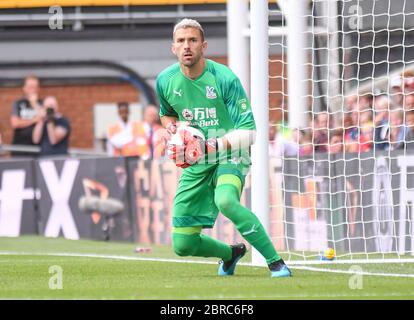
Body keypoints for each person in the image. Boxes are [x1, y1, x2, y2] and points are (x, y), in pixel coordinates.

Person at [156, 18, 291, 278]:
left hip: (230, 151)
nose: (187, 46)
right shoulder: (165, 80)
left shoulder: (224, 78)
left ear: (203, 45)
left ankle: (276, 262)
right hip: (197, 160)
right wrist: (172, 131)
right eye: (181, 41)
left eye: (193, 40)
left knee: (226, 200)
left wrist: (210, 145)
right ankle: (231, 254)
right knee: (183, 245)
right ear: (173, 48)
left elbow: (249, 132)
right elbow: (167, 114)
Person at [10, 75, 43, 157]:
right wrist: (34, 120)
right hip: (20, 147)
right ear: (24, 88)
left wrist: (34, 103)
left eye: (34, 87)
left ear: (38, 88)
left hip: (38, 147)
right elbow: (15, 123)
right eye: (29, 87)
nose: (32, 90)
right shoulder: (18, 103)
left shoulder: (43, 103)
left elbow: (46, 117)